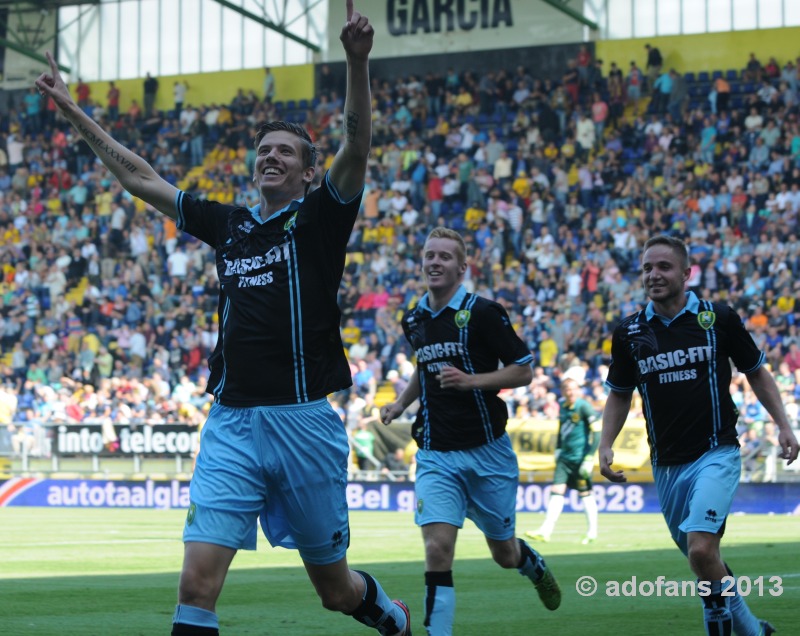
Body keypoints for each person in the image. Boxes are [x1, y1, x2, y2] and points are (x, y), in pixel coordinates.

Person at [35, 3, 412, 635]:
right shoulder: (229, 224)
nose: (270, 158)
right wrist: (73, 111)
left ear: (308, 170)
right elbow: (141, 179)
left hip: (301, 421)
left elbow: (357, 141)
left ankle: (385, 613)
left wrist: (355, 60)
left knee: (334, 590)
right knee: (196, 583)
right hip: (231, 421)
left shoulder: (320, 219)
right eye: (263, 150)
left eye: (285, 153)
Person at [599, 235, 799, 636]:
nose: (654, 275)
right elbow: (619, 395)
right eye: (647, 268)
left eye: (664, 267)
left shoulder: (717, 318)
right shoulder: (629, 333)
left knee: (701, 548)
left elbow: (756, 371)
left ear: (687, 274)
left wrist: (783, 424)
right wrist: (605, 443)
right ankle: (754, 631)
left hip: (716, 452)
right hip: (666, 465)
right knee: (705, 561)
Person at [380, 227, 561, 636]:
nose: (435, 262)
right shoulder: (414, 318)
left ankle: (532, 565)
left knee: (503, 552)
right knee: (437, 549)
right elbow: (424, 367)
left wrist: (472, 381)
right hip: (436, 452)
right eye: (430, 255)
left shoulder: (483, 313)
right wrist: (401, 403)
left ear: (462, 268)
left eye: (445, 256)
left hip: (487, 452)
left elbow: (523, 369)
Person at [526, 377, 600, 545]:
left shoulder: (584, 406)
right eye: (567, 389)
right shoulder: (563, 408)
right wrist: (558, 448)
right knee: (556, 491)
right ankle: (546, 531)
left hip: (580, 459)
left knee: (585, 493)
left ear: (578, 390)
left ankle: (592, 531)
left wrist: (589, 458)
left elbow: (597, 432)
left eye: (573, 389)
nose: (570, 392)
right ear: (563, 391)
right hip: (564, 459)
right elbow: (561, 430)